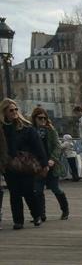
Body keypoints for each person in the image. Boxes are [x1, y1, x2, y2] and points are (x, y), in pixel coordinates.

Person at [1, 98, 48, 228]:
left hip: (26, 165)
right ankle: (18, 221)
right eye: (11, 110)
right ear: (4, 112)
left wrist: (44, 164)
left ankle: (36, 215)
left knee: (28, 191)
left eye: (16, 109)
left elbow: (38, 146)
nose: (14, 112)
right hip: (9, 165)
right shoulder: (2, 129)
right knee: (14, 193)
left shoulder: (26, 127)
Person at [31, 106, 69, 220]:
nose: (43, 120)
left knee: (55, 188)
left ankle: (65, 210)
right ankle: (41, 214)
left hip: (51, 164)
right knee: (37, 190)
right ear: (34, 119)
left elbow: (57, 146)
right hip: (37, 165)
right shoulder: (31, 131)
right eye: (40, 118)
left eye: (45, 118)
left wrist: (52, 159)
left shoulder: (51, 130)